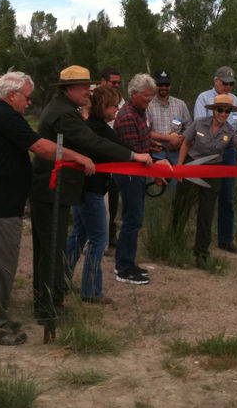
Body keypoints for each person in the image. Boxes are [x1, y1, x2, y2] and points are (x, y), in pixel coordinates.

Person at [0, 71, 95, 346]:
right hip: (0, 203)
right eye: (26, 97)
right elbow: (41, 146)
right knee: (0, 266)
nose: (28, 103)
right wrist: (76, 155)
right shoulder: (4, 115)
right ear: (12, 94)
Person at [30, 65, 152, 326]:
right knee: (56, 248)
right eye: (85, 86)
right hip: (55, 188)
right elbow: (93, 142)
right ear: (70, 89)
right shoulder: (64, 114)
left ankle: (54, 296)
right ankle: (49, 305)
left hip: (64, 188)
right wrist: (134, 156)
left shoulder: (67, 110)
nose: (89, 91)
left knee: (65, 244)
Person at [175, 94, 237, 267]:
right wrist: (179, 167)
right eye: (220, 110)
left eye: (227, 111)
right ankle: (173, 242)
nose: (223, 114)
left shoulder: (231, 132)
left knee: (206, 212)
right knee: (181, 207)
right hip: (191, 165)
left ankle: (201, 253)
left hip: (213, 171)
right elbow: (186, 143)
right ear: (213, 110)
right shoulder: (199, 123)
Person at [65, 86, 126, 304]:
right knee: (99, 239)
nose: (117, 109)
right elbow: (120, 149)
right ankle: (91, 290)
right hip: (91, 191)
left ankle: (61, 279)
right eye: (113, 105)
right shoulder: (99, 128)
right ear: (102, 107)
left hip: (86, 189)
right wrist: (144, 158)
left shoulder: (92, 126)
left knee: (79, 235)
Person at [113, 73, 172, 285]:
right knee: (132, 220)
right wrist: (157, 167)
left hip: (138, 172)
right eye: (146, 96)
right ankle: (123, 267)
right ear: (134, 94)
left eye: (152, 96)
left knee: (135, 220)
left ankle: (128, 261)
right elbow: (133, 151)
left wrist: (154, 150)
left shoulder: (140, 112)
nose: (150, 100)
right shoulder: (128, 116)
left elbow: (143, 143)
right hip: (130, 174)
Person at [193, 66, 237, 254]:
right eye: (225, 83)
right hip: (211, 152)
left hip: (230, 152)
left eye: (231, 84)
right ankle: (201, 242)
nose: (228, 87)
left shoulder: (235, 100)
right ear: (216, 81)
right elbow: (200, 124)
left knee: (228, 196)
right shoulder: (204, 98)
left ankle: (226, 239)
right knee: (206, 197)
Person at [99, 66, 123, 249]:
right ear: (103, 81)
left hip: (114, 151)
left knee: (113, 193)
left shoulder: (121, 101)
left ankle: (110, 233)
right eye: (113, 82)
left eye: (118, 82)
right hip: (95, 154)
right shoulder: (91, 98)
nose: (116, 85)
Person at [147, 69, 191, 165]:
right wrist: (168, 138)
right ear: (154, 86)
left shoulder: (181, 104)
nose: (164, 87)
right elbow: (145, 131)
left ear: (170, 86)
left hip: (177, 153)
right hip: (156, 153)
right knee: (158, 179)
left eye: (166, 85)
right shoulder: (148, 105)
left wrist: (180, 139)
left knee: (176, 179)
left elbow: (189, 128)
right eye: (160, 85)